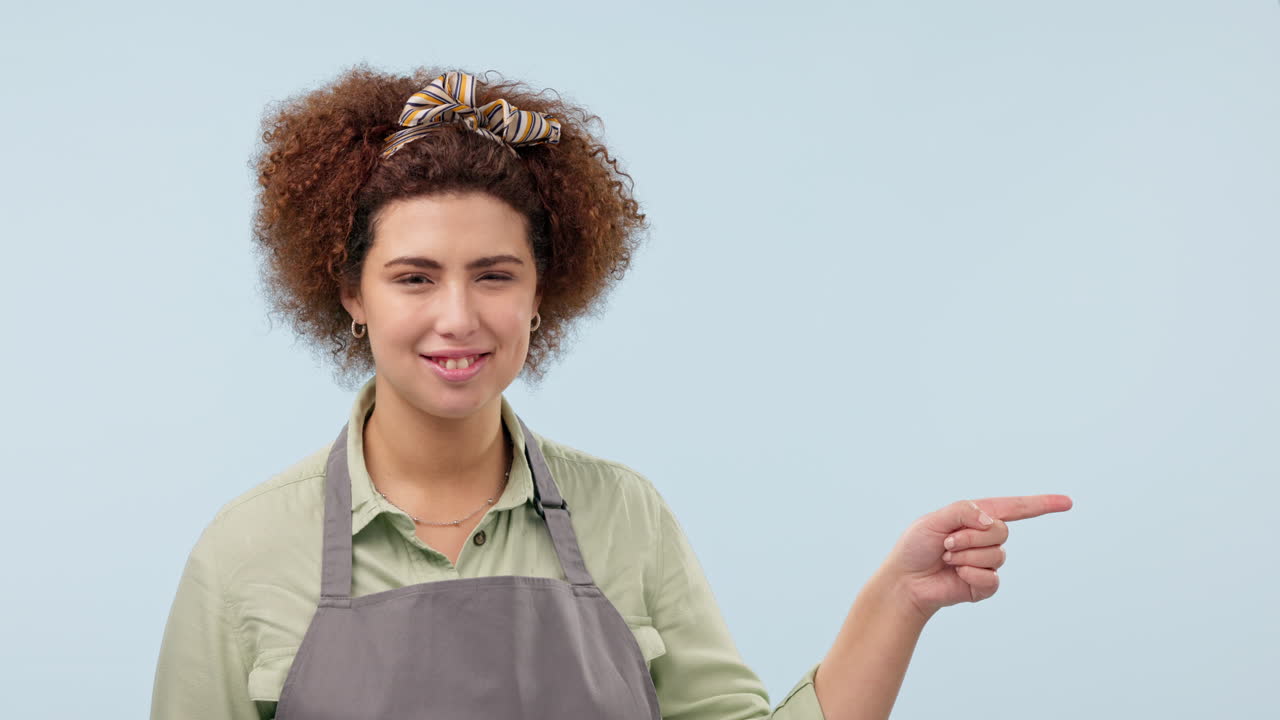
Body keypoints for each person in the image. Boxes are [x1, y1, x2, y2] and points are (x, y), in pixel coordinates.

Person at [149, 65, 1073, 720]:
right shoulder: (248, 552)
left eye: (496, 275)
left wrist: (897, 601)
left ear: (545, 291)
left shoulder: (623, 517)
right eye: (415, 277)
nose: (459, 318)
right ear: (351, 293)